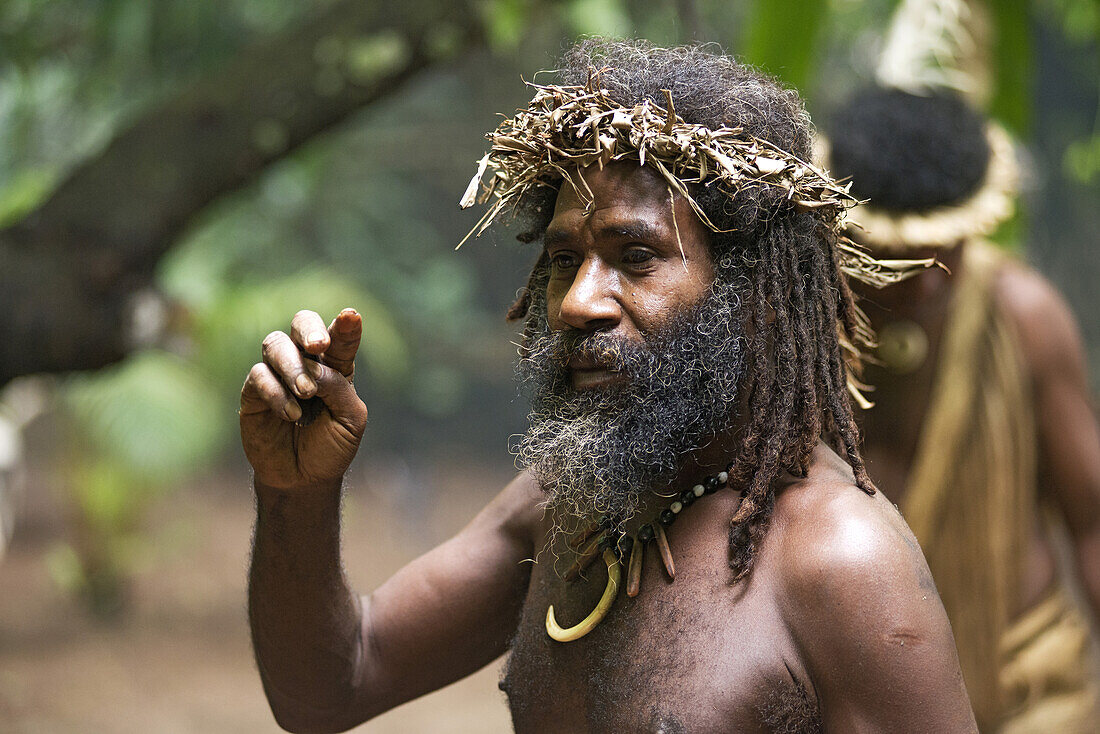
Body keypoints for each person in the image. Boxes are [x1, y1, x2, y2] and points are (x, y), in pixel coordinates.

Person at [242, 40, 977, 733]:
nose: (576, 301)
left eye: (635, 256)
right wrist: (294, 493)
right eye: (566, 258)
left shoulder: (841, 562)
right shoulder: (564, 503)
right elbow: (332, 683)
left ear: (752, 292)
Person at [822, 85, 1100, 732]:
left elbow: (1093, 524)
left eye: (943, 252)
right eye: (890, 259)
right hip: (852, 689)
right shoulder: (794, 330)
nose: (921, 281)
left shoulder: (1026, 320)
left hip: (1027, 692)